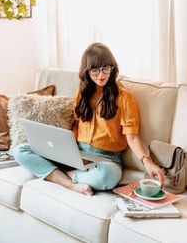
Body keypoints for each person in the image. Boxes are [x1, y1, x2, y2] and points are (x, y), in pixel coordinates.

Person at [13, 42, 164, 196]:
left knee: (108, 176)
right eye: (95, 70)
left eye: (106, 68)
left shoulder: (125, 98)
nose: (101, 75)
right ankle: (70, 184)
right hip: (77, 153)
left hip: (107, 160)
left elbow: (131, 137)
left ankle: (62, 176)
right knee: (20, 150)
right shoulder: (82, 93)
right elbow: (76, 125)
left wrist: (147, 162)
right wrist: (63, 150)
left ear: (113, 67)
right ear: (87, 71)